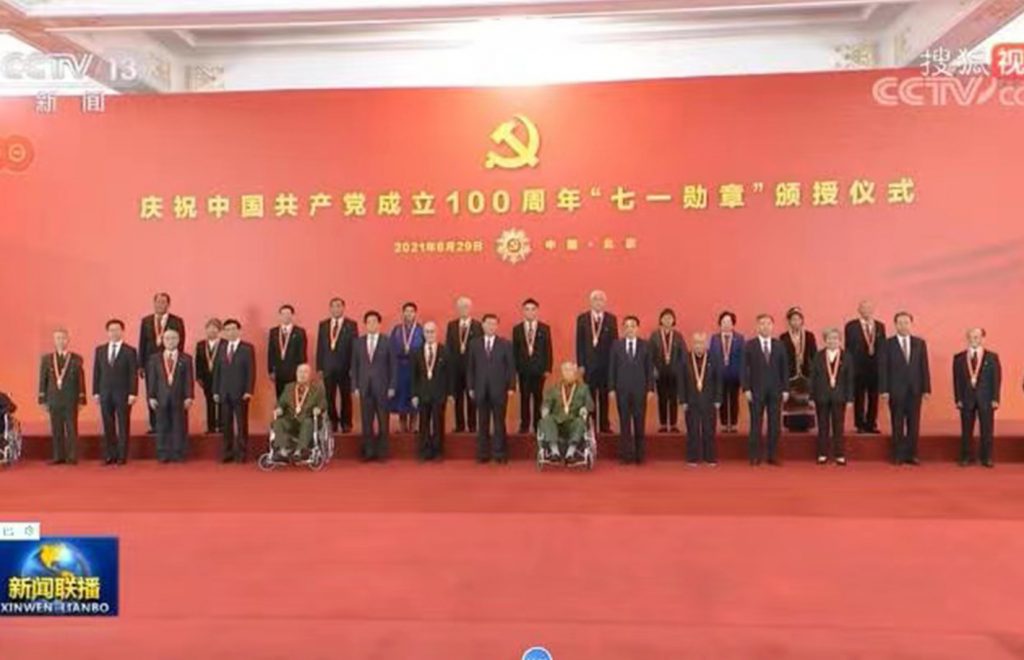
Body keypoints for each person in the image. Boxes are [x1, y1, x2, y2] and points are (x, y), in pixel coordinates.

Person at [878, 311, 931, 466]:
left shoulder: (919, 343)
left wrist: (926, 389)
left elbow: (924, 367)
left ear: (911, 324)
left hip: (915, 390)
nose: (903, 325)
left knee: (914, 424)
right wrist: (884, 390)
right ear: (895, 325)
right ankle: (898, 455)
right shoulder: (888, 344)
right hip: (895, 390)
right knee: (897, 424)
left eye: (906, 322)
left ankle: (912, 455)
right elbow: (883, 368)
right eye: (900, 323)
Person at [467, 314, 516, 464]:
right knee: (482, 423)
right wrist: (470, 386)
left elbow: (511, 367)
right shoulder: (474, 344)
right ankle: (483, 454)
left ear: (497, 326)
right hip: (480, 389)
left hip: (499, 389)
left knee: (499, 422)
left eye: (494, 324)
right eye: (488, 323)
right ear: (482, 325)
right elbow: (470, 367)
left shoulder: (505, 344)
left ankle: (499, 453)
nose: (491, 326)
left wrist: (511, 386)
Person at [741, 314, 790, 466]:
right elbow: (744, 369)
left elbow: (784, 368)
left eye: (768, 323)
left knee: (775, 424)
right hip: (756, 391)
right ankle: (755, 456)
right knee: (756, 423)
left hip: (776, 390)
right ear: (757, 326)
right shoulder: (750, 345)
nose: (765, 326)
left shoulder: (779, 345)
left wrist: (786, 389)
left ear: (772, 326)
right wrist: (746, 388)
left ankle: (772, 455)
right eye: (762, 323)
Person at [351, 311, 396, 462]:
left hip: (383, 387)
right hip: (364, 387)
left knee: (383, 422)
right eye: (369, 322)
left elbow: (393, 366)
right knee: (366, 422)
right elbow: (354, 366)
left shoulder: (387, 341)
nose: (371, 324)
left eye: (374, 321)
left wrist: (392, 386)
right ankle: (368, 452)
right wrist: (355, 386)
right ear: (365, 324)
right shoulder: (358, 342)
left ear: (379, 324)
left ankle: (382, 453)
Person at [608, 316, 654, 464]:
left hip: (640, 391)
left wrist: (650, 389)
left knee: (639, 423)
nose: (629, 329)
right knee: (624, 423)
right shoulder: (616, 345)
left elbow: (649, 369)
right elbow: (612, 368)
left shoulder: (645, 345)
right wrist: (611, 388)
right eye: (627, 326)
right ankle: (626, 456)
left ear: (637, 328)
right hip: (622, 390)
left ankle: (640, 455)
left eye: (632, 326)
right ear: (623, 328)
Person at [37, 327, 87, 464]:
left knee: (72, 428)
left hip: (71, 399)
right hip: (53, 399)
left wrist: (82, 399)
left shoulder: (76, 359)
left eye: (63, 338)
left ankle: (72, 456)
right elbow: (43, 380)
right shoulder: (47, 359)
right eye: (58, 338)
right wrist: (42, 399)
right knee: (56, 429)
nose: (60, 341)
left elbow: (80, 380)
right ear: (54, 340)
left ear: (68, 340)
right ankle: (58, 456)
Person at [138, 292, 186, 434]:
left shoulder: (177, 321)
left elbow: (181, 343)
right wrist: (141, 365)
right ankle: (154, 425)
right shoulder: (146, 321)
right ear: (154, 303)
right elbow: (142, 343)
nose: (160, 304)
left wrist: (178, 361)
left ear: (168, 304)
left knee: (170, 393)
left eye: (163, 302)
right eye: (157, 302)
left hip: (170, 363)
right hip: (151, 365)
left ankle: (170, 425)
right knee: (152, 394)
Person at [92, 319, 139, 465]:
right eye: (111, 330)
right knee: (108, 424)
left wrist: (133, 393)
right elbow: (97, 372)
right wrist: (96, 392)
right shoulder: (100, 350)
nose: (114, 332)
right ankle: (110, 455)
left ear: (122, 331)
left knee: (123, 425)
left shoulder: (130, 351)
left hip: (123, 394)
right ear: (107, 332)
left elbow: (133, 373)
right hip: (105, 393)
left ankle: (122, 456)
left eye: (117, 330)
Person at [145, 328, 195, 463]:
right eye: (167, 338)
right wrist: (151, 396)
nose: (170, 341)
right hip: (161, 397)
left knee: (179, 426)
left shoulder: (186, 358)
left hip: (179, 397)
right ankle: (163, 453)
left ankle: (179, 453)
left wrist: (189, 396)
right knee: (162, 426)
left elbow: (189, 379)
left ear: (178, 340)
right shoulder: (154, 358)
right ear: (162, 340)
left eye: (173, 338)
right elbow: (152, 379)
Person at [953, 328, 1001, 467]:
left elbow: (996, 379)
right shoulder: (959, 358)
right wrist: (958, 398)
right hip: (966, 398)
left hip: (986, 399)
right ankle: (966, 457)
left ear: (983, 339)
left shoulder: (992, 357)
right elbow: (956, 380)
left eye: (977, 337)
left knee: (987, 429)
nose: (974, 339)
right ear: (967, 339)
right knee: (966, 430)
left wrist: (995, 398)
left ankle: (986, 458)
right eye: (971, 337)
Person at [808, 328, 854, 465]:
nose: (832, 341)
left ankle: (839, 454)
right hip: (821, 396)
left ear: (840, 340)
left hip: (840, 397)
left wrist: (850, 398)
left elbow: (850, 379)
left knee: (838, 427)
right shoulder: (818, 356)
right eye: (829, 338)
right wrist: (811, 396)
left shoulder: (846, 357)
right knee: (823, 426)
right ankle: (822, 453)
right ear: (825, 340)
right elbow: (813, 378)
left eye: (835, 338)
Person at [576, 290, 618, 434]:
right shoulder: (582, 319)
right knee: (590, 397)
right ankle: (590, 425)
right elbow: (579, 343)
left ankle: (604, 425)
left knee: (604, 396)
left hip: (606, 365)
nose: (598, 302)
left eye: (600, 299)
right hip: (588, 365)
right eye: (595, 299)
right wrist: (580, 364)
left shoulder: (611, 319)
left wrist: (614, 365)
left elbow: (615, 345)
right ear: (590, 302)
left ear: (604, 302)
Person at [213, 319, 255, 463]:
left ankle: (242, 453)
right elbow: (217, 371)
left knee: (241, 425)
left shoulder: (247, 348)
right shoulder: (221, 347)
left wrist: (249, 390)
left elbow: (251, 371)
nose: (230, 332)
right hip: (224, 392)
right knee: (226, 425)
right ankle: (227, 453)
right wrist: (215, 391)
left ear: (239, 331)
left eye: (233, 329)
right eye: (227, 330)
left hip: (241, 393)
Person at [411, 321, 452, 461]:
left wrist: (450, 393)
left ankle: (438, 451)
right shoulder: (417, 352)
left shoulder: (444, 351)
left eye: (432, 331)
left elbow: (449, 374)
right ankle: (424, 451)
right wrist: (414, 394)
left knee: (438, 423)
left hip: (439, 394)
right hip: (422, 393)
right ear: (423, 334)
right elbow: (414, 375)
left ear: (437, 333)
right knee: (424, 423)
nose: (430, 334)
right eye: (427, 332)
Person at [315, 297, 358, 433]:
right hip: (328, 367)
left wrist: (353, 367)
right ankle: (332, 422)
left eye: (339, 306)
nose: (336, 308)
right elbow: (320, 347)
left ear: (343, 308)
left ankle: (346, 423)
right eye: (333, 306)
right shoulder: (323, 325)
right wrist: (319, 367)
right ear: (330, 308)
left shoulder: (351, 325)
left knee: (346, 396)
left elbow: (355, 348)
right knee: (329, 397)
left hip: (345, 367)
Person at [538, 361, 594, 464]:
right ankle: (555, 452)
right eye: (565, 370)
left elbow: (590, 405)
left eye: (570, 370)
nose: (568, 373)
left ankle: (570, 453)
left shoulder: (583, 388)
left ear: (575, 373)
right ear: (562, 373)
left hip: (574, 420)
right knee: (547, 419)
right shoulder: (554, 388)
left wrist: (585, 409)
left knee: (580, 421)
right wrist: (545, 409)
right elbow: (546, 403)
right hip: (557, 421)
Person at [680, 332, 721, 466]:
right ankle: (692, 458)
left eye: (701, 343)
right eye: (696, 343)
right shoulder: (685, 359)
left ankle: (709, 457)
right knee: (692, 430)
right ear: (692, 344)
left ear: (706, 344)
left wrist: (718, 399)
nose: (699, 345)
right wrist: (683, 400)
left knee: (709, 430)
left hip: (709, 400)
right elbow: (681, 381)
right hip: (691, 400)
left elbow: (718, 380)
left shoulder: (713, 358)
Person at [844, 300, 885, 434]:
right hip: (858, 367)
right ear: (859, 310)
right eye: (863, 308)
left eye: (869, 308)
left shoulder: (880, 326)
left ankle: (871, 424)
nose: (866, 310)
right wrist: (849, 367)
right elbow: (848, 348)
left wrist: (882, 366)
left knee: (874, 397)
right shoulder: (851, 326)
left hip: (875, 367)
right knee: (859, 397)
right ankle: (860, 424)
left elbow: (883, 348)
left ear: (872, 310)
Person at [512, 298, 553, 434]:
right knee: (524, 397)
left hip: (539, 370)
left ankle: (537, 425)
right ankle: (524, 425)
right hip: (523, 370)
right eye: (527, 309)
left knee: (538, 398)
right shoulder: (517, 329)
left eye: (533, 309)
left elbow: (548, 349)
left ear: (537, 311)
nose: (530, 312)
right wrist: (514, 369)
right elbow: (515, 351)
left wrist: (548, 368)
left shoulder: (544, 328)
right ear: (523, 311)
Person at [271, 363, 326, 461]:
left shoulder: (317, 389)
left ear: (310, 375)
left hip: (307, 418)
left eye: (305, 372)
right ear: (296, 374)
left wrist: (318, 409)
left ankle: (299, 451)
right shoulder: (289, 387)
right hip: (291, 419)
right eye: (300, 372)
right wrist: (279, 408)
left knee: (307, 422)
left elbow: (323, 403)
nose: (302, 374)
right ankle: (283, 451)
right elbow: (281, 403)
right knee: (278, 422)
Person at [445, 297, 482, 433]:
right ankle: (460, 426)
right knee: (458, 398)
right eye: (461, 307)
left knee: (472, 397)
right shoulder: (452, 325)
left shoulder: (478, 326)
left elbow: (480, 348)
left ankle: (472, 426)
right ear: (457, 309)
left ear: (470, 308)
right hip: (456, 368)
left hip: (472, 368)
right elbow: (448, 347)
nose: (463, 309)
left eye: (466, 307)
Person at [389, 302, 424, 433]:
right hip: (400, 368)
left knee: (414, 395)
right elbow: (391, 349)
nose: (409, 314)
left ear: (415, 314)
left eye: (411, 311)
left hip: (415, 368)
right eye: (406, 311)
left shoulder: (420, 330)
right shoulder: (397, 330)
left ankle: (414, 427)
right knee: (401, 397)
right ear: (403, 313)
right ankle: (402, 427)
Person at [651, 308, 686, 433]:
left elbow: (683, 355)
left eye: (670, 318)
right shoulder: (655, 336)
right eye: (665, 318)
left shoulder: (678, 336)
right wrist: (653, 368)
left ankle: (673, 423)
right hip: (659, 372)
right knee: (662, 398)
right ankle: (663, 424)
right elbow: (650, 355)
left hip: (674, 373)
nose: (667, 320)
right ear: (661, 320)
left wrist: (681, 370)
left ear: (673, 320)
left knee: (673, 398)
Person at [708, 311, 744, 433]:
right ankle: (724, 424)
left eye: (729, 322)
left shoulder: (739, 338)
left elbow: (743, 358)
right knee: (721, 398)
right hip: (719, 375)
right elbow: (711, 357)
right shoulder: (714, 338)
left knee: (734, 399)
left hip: (735, 375)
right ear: (720, 323)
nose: (726, 324)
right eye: (724, 322)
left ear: (733, 324)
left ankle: (733, 424)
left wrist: (742, 375)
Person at [268, 304, 308, 398]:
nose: (286, 316)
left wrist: (302, 372)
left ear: (292, 316)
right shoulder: (274, 332)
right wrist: (270, 370)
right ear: (279, 316)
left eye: (288, 314)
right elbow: (271, 352)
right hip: (279, 372)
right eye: (283, 314)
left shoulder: (299, 332)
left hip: (294, 372)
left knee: (293, 397)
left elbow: (302, 353)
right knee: (280, 398)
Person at [195, 318, 224, 434]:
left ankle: (222, 426)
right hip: (207, 378)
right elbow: (198, 362)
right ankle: (211, 427)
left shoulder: (224, 344)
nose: (212, 330)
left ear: (219, 330)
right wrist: (198, 377)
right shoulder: (201, 345)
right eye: (209, 328)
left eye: (215, 328)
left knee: (222, 402)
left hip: (222, 378)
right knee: (209, 402)